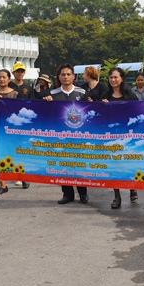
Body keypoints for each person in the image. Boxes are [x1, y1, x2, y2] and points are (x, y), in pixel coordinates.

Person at [44, 63, 90, 204]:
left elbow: (89, 112)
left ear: (73, 76)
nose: (66, 77)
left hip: (79, 136)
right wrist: (46, 103)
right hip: (61, 137)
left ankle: (83, 193)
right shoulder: (53, 94)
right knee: (63, 165)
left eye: (68, 74)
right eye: (63, 74)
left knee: (79, 165)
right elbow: (47, 114)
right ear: (59, 77)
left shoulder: (82, 93)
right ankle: (67, 194)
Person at [101, 66, 139, 208]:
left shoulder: (130, 95)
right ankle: (117, 196)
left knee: (129, 163)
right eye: (111, 77)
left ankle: (132, 188)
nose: (113, 80)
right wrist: (102, 106)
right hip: (111, 137)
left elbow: (140, 111)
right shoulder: (105, 96)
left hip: (128, 137)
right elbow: (98, 116)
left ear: (122, 79)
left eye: (116, 77)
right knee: (114, 166)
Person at [0, 68, 24, 191]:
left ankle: (21, 177)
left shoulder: (15, 94)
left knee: (15, 153)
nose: (1, 79)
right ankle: (3, 184)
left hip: (13, 129)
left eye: (4, 77)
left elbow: (21, 111)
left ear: (9, 79)